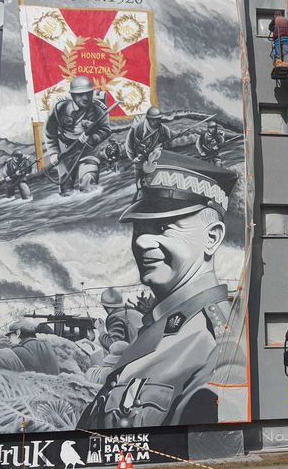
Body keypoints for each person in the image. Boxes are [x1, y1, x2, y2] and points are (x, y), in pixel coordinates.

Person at [78, 151, 237, 429]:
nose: (141, 242)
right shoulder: (165, 329)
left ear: (212, 238)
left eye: (163, 227)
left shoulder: (217, 343)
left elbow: (208, 449)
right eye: (139, 229)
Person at [44, 76, 112, 195]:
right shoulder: (60, 108)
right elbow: (50, 132)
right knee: (66, 190)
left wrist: (92, 138)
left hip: (88, 149)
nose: (85, 98)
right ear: (73, 95)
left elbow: (106, 130)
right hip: (66, 149)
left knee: (88, 183)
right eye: (80, 95)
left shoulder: (99, 109)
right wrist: (54, 152)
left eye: (88, 94)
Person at [125, 106, 173, 182]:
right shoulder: (138, 129)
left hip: (157, 159)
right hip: (140, 158)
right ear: (148, 119)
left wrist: (162, 147)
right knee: (140, 181)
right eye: (154, 120)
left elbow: (169, 146)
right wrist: (133, 157)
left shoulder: (164, 130)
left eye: (159, 119)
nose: (157, 122)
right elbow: (129, 144)